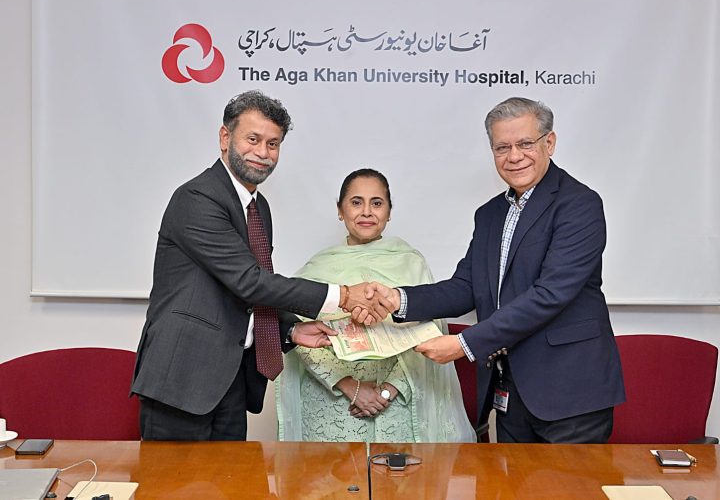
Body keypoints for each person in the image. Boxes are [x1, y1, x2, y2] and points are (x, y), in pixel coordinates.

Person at [131, 91, 389, 441]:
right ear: (225, 138)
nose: (263, 153)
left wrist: (290, 330)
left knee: (231, 476)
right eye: (252, 139)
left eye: (273, 144)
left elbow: (248, 291)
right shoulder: (197, 198)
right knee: (172, 478)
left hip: (231, 380)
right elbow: (249, 281)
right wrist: (343, 296)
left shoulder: (258, 207)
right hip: (182, 380)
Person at [366, 97, 625, 443]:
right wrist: (397, 300)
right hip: (510, 391)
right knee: (510, 479)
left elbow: (550, 295)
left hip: (570, 391)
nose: (514, 156)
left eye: (525, 143)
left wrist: (464, 344)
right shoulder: (490, 214)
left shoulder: (579, 204)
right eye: (503, 147)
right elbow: (466, 287)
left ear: (549, 143)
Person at [276, 169, 476, 442]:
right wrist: (350, 386)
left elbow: (429, 332)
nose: (367, 212)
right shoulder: (317, 268)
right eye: (356, 202)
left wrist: (387, 391)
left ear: (389, 211)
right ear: (340, 210)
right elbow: (299, 335)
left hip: (399, 404)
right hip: (334, 403)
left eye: (377, 203)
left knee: (400, 470)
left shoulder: (411, 263)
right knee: (333, 471)